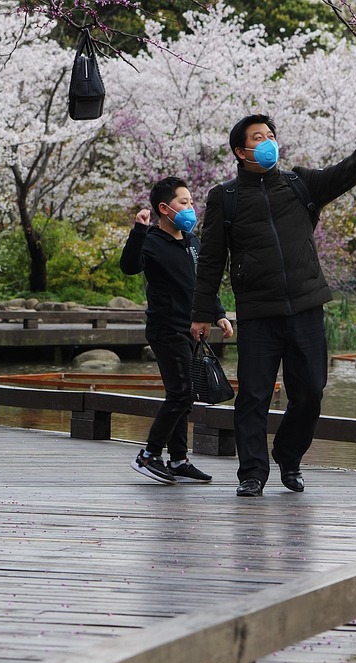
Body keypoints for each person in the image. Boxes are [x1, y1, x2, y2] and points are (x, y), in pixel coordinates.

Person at [191, 113, 356, 497]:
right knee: (254, 396)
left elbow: (346, 173)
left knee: (311, 392)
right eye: (257, 137)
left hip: (306, 308)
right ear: (240, 150)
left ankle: (289, 454)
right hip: (259, 313)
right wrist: (202, 313)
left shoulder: (301, 184)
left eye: (270, 135)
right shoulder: (225, 198)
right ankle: (252, 472)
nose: (268, 141)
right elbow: (212, 260)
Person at [121, 176, 234, 485]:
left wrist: (219, 314)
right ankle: (148, 455)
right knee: (181, 393)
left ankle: (179, 461)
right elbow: (130, 266)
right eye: (183, 202)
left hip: (190, 329)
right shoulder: (152, 239)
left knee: (185, 394)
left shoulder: (192, 241)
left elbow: (203, 283)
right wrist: (138, 230)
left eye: (191, 202)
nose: (190, 207)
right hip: (165, 329)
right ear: (164, 208)